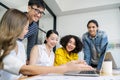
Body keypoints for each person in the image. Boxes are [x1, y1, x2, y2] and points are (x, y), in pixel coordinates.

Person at [0, 9, 93, 80]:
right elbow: (25, 69)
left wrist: (67, 65)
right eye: (26, 28)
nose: (27, 31)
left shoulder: (20, 45)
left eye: (56, 39)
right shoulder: (2, 46)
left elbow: (23, 73)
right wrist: (65, 68)